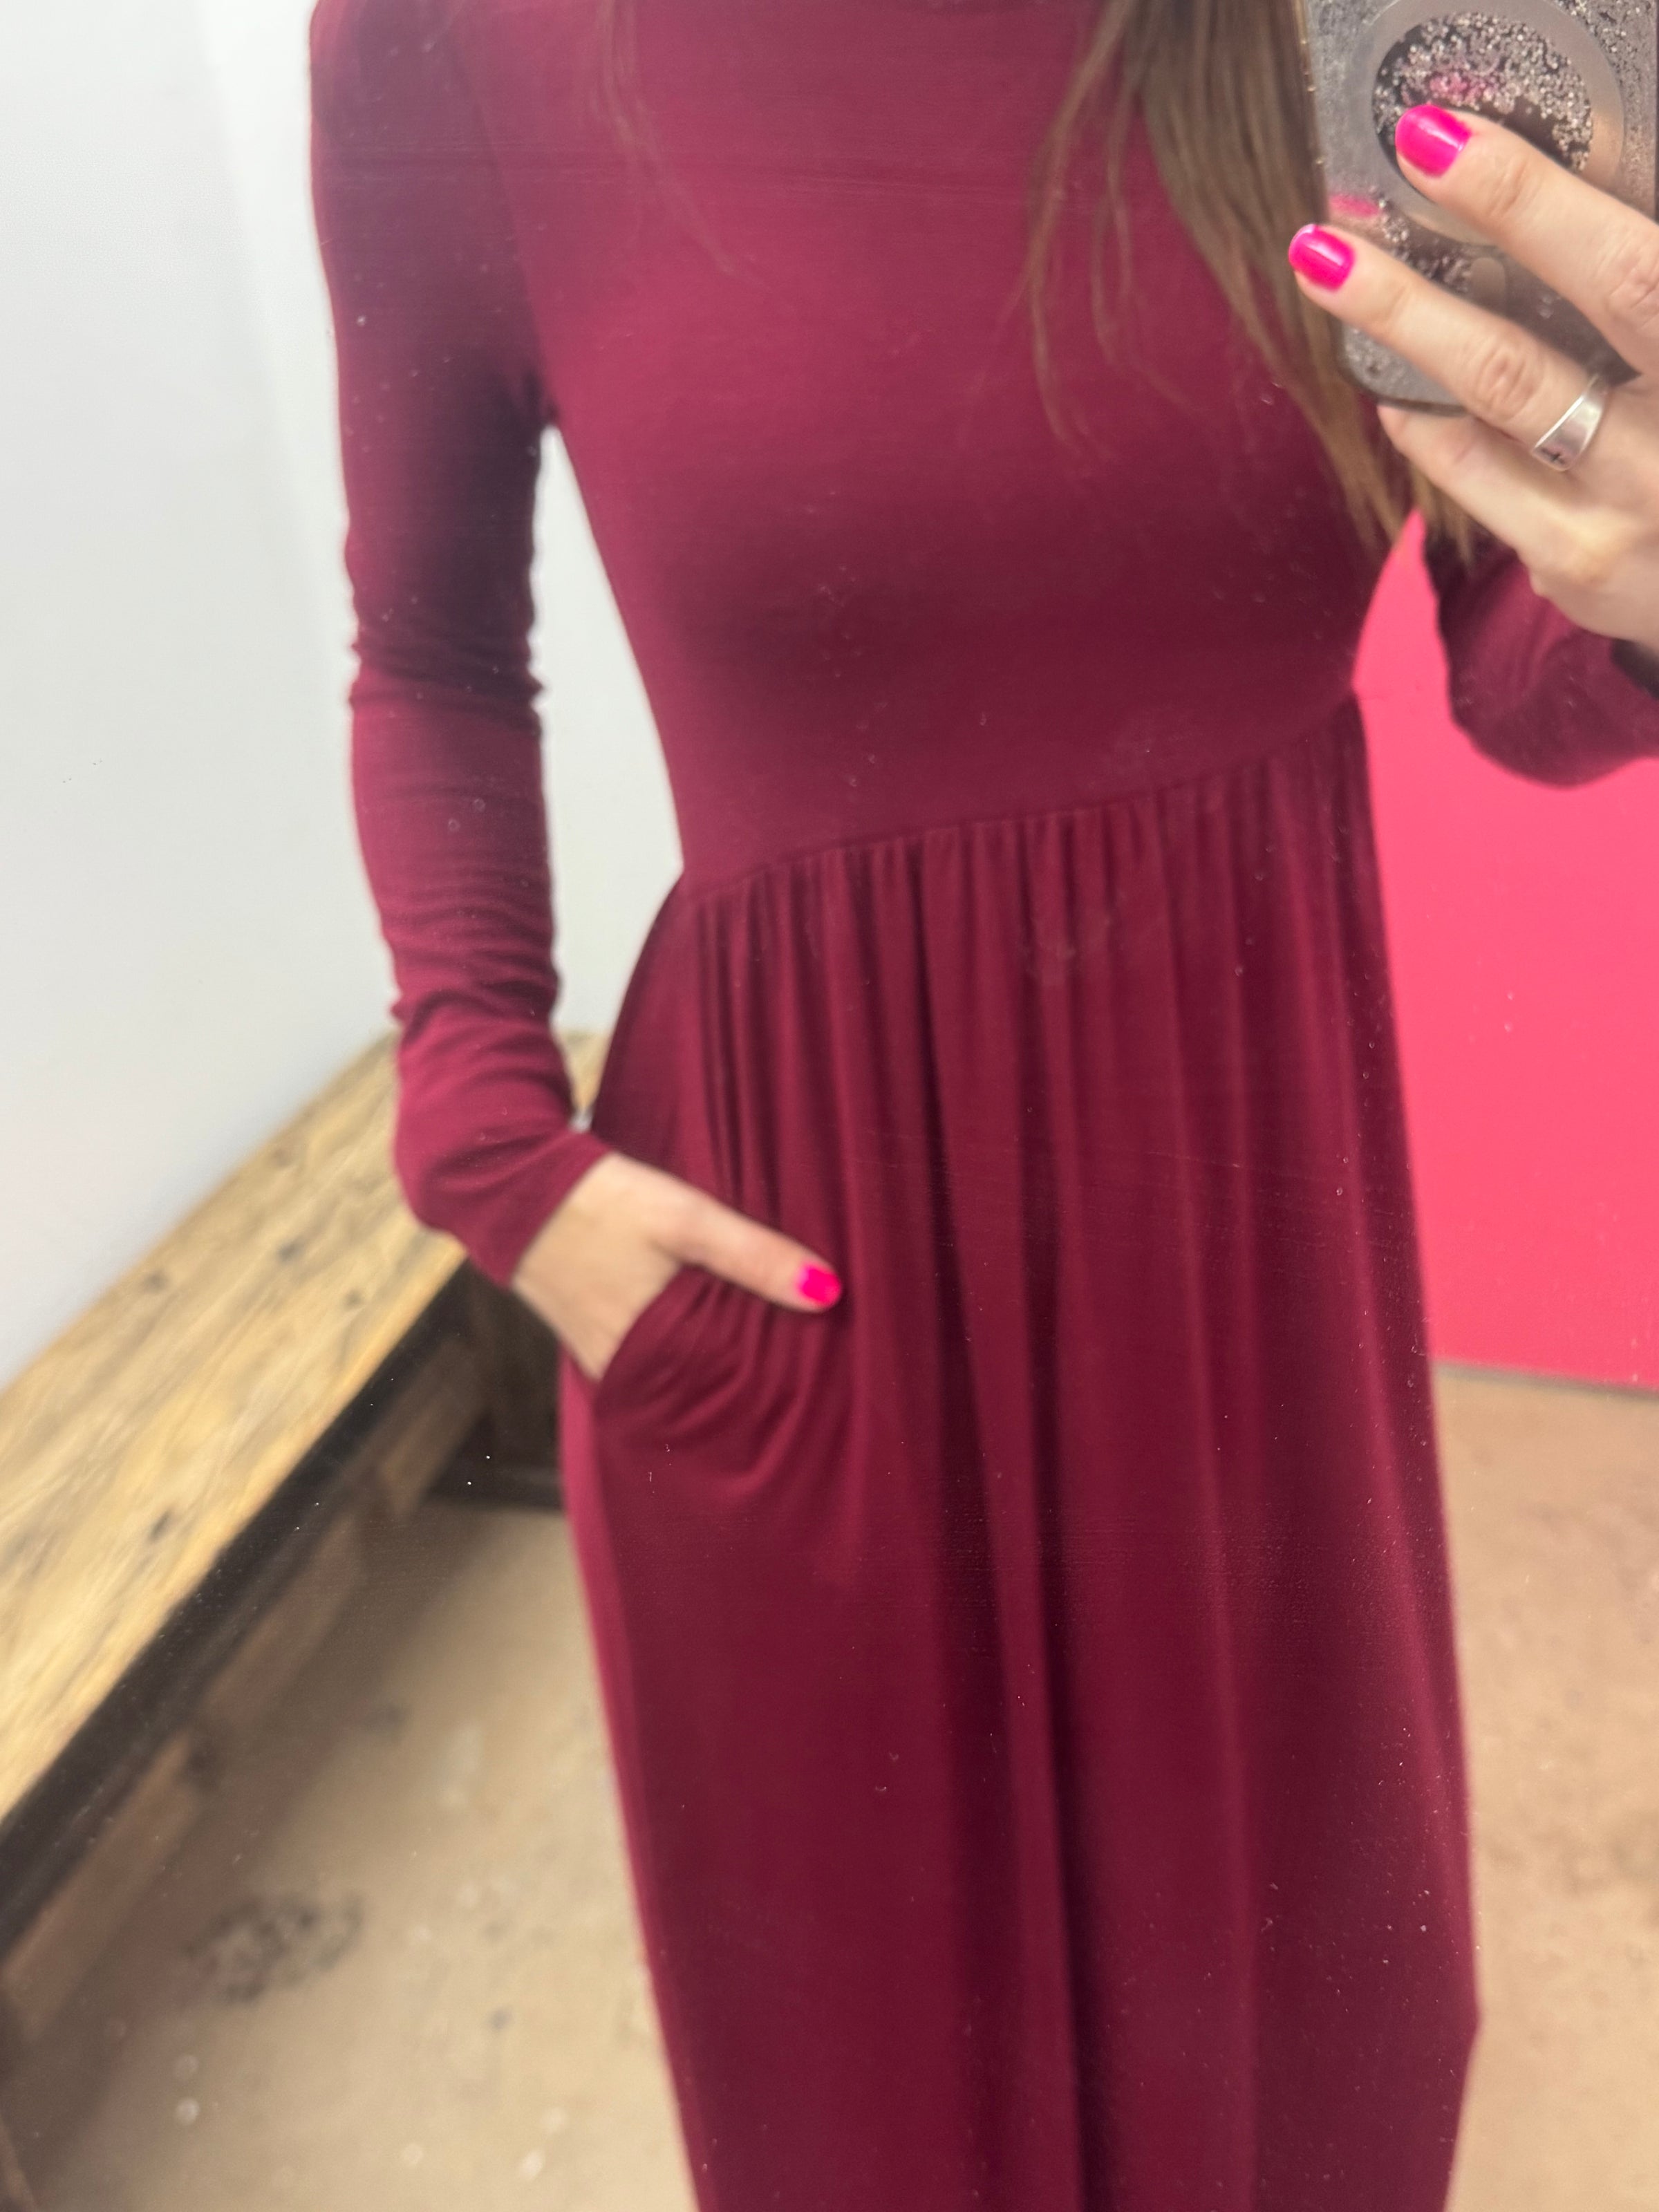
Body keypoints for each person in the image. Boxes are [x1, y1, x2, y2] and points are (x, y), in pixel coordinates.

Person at [308, 1, 1659, 2204]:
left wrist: (1653, 583)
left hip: (1255, 1286)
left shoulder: (1352, 22)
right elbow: (433, 658)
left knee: (1317, 2073)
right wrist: (483, 1137)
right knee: (903, 2121)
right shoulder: (449, 42)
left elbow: (1519, 648)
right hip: (815, 1290)